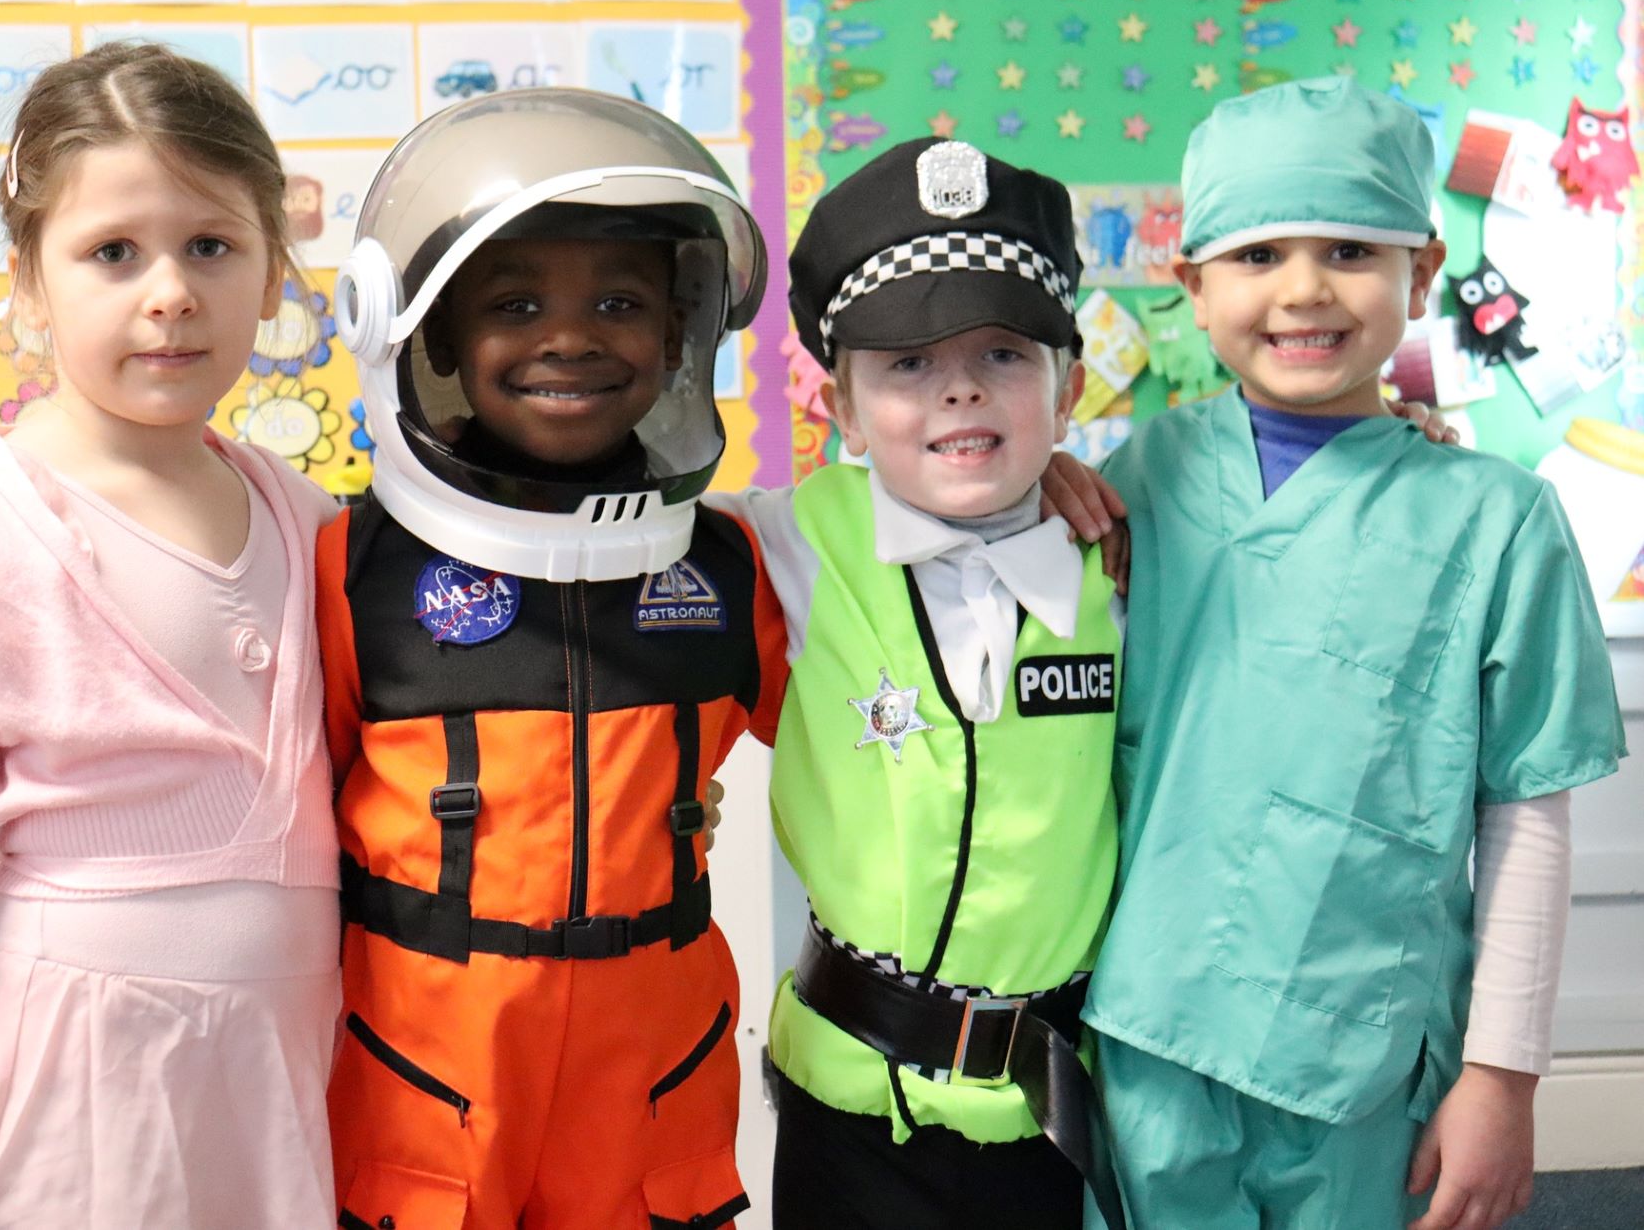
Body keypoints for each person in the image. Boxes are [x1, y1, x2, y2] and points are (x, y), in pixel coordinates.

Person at [1072, 77, 1627, 1230]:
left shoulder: (1497, 521)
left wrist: (1505, 1076)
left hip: (1362, 1062)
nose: (1304, 289)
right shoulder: (1137, 485)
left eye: (1349, 249)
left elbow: (1524, 817)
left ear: (1422, 273)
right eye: (1260, 253)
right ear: (1194, 285)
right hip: (1145, 1039)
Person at [0, 44, 344, 1228]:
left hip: (294, 1081)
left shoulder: (310, 522)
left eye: (211, 245)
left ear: (273, 273)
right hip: (78, 1092)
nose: (169, 291)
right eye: (113, 252)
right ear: (27, 284)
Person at [316, 88, 788, 1229]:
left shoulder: (732, 565)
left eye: (621, 302)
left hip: (649, 1083)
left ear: (683, 330)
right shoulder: (351, 570)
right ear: (422, 332)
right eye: (514, 302)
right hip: (426, 1077)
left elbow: (894, 693)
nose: (569, 337)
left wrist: (1037, 510)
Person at [716, 138, 1127, 1230]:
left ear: (1068, 385)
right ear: (840, 412)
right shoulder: (787, 543)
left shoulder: (1128, 557)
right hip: (850, 1107)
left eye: (1003, 354)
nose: (956, 385)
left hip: (1058, 1109)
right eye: (905, 363)